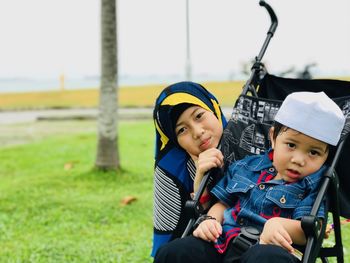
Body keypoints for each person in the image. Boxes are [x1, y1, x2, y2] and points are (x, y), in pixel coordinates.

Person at [154, 91, 345, 263]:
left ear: (326, 156)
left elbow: (311, 230)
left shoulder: (314, 182)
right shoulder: (246, 166)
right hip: (222, 243)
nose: (298, 160)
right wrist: (210, 219)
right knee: (174, 252)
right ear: (273, 137)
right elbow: (224, 203)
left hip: (270, 251)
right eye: (291, 145)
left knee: (265, 257)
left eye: (313, 152)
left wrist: (278, 224)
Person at [151, 81, 227, 257]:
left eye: (199, 116)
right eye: (182, 129)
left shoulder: (251, 142)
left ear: (213, 108)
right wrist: (200, 182)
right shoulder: (170, 169)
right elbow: (167, 243)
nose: (198, 132)